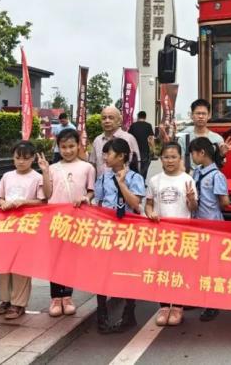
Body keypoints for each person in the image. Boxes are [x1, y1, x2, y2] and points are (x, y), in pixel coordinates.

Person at [39, 128, 95, 317]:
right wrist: (45, 172)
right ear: (58, 147)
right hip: (55, 220)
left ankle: (67, 296)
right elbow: (47, 194)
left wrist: (86, 198)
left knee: (71, 259)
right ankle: (55, 297)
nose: (68, 150)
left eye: (71, 146)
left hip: (77, 220)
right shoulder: (53, 168)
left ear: (78, 146)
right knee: (55, 258)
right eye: (63, 147)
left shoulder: (87, 168)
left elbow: (91, 191)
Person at [93, 138, 146, 333]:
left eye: (109, 153)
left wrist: (122, 183)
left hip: (127, 231)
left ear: (122, 156)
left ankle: (129, 313)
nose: (105, 157)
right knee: (102, 271)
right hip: (107, 230)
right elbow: (99, 203)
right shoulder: (103, 178)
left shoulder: (135, 178)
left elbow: (135, 204)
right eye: (104, 153)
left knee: (127, 271)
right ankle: (102, 313)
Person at [145, 141, 198, 326]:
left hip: (182, 234)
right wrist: (150, 213)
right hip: (161, 234)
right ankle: (163, 306)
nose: (170, 160)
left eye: (173, 157)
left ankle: (177, 306)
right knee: (162, 270)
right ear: (161, 159)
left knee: (179, 271)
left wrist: (191, 199)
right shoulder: (155, 180)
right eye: (166, 157)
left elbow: (193, 208)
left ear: (180, 158)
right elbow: (149, 204)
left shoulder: (187, 180)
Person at [0, 141, 45, 320]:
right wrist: (3, 203)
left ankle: (18, 303)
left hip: (26, 227)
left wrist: (24, 202)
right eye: (17, 158)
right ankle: (5, 300)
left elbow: (42, 201)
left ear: (33, 159)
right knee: (4, 265)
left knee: (21, 265)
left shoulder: (37, 178)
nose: (21, 162)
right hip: (6, 227)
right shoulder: (7, 176)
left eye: (26, 158)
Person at [189, 136, 229, 322]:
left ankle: (212, 303)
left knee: (212, 266)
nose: (192, 157)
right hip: (197, 223)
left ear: (202, 153)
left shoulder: (216, 176)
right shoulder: (197, 172)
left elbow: (224, 202)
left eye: (193, 153)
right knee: (200, 264)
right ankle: (200, 297)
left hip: (212, 225)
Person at [177, 98, 231, 172]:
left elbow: (220, 166)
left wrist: (221, 154)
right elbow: (179, 163)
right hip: (188, 177)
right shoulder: (183, 139)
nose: (201, 116)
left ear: (209, 116)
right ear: (191, 115)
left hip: (209, 177)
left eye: (204, 114)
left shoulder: (217, 139)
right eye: (198, 113)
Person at [89, 106, 140, 176]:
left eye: (111, 118)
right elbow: (93, 165)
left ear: (119, 121)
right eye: (104, 118)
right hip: (101, 182)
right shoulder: (97, 140)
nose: (107, 121)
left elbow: (136, 164)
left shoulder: (129, 139)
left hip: (124, 182)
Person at [128, 111, 155, 176]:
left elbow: (129, 138)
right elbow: (151, 139)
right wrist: (153, 150)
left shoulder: (133, 125)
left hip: (135, 152)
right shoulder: (148, 125)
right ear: (145, 117)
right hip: (145, 152)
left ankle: (136, 180)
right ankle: (142, 180)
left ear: (138, 117)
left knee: (134, 171)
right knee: (143, 171)